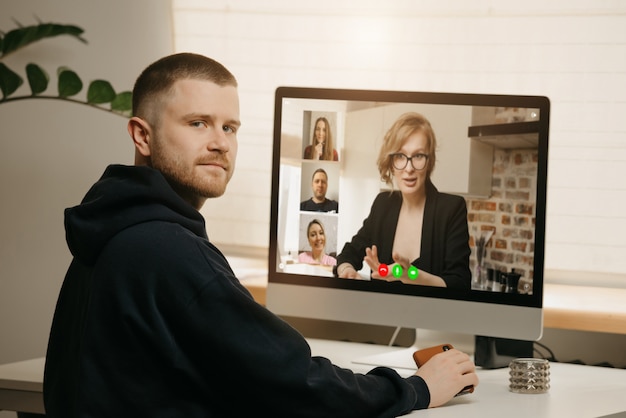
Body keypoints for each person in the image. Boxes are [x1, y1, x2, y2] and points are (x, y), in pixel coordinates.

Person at [43, 53, 477, 417]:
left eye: (230, 127)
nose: (221, 144)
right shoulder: (166, 249)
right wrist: (417, 389)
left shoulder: (113, 229)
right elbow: (295, 380)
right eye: (198, 123)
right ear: (142, 135)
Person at [335, 112, 472, 289]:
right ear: (391, 162)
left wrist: (412, 275)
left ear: (429, 162)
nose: (408, 168)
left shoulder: (451, 209)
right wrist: (347, 271)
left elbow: (460, 284)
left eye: (418, 156)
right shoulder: (383, 204)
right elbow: (348, 254)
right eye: (400, 156)